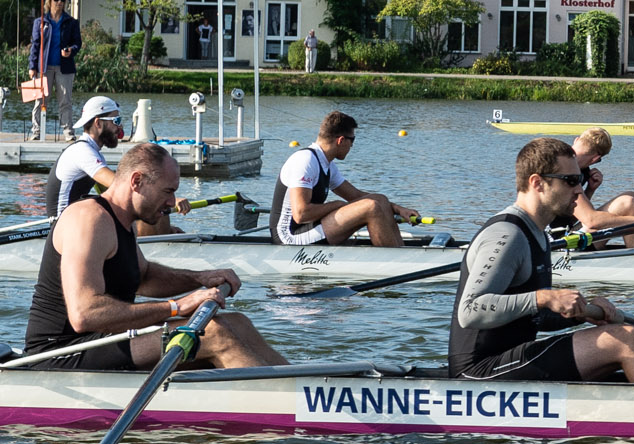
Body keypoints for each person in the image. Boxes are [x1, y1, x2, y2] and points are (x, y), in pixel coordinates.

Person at [21, 141, 285, 370]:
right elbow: (85, 314)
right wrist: (177, 306)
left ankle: (306, 387)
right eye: (168, 192)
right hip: (60, 354)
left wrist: (202, 278)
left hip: (104, 342)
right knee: (215, 333)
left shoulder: (121, 220)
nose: (173, 203)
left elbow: (145, 277)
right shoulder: (89, 218)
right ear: (136, 181)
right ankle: (289, 412)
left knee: (237, 323)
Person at [450, 137, 634, 385]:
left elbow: (534, 318)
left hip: (513, 359)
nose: (579, 190)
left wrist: (580, 314)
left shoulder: (538, 233)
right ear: (537, 183)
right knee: (627, 339)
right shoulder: (507, 235)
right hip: (477, 373)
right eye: (571, 181)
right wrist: (544, 298)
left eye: (580, 181)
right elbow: (470, 311)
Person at [52, 96, 194, 235]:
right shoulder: (82, 152)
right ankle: (157, 243)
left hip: (76, 221)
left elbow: (112, 196)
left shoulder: (93, 153)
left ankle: (161, 235)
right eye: (116, 121)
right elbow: (119, 185)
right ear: (98, 123)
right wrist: (170, 199)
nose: (119, 128)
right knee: (146, 199)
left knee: (141, 203)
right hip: (63, 227)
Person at [272, 111, 416, 247]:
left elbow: (357, 196)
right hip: (289, 237)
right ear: (341, 140)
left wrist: (399, 209)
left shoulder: (326, 163)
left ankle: (400, 251)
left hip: (310, 227)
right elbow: (301, 214)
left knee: (380, 200)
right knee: (371, 208)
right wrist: (337, 205)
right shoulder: (305, 161)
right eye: (352, 140)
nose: (352, 145)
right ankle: (391, 260)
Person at [564, 127, 634, 250]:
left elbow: (570, 213)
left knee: (632, 196)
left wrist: (590, 190)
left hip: (566, 229)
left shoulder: (570, 166)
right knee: (628, 203)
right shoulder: (568, 173)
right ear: (595, 159)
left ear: (576, 140)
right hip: (558, 241)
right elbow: (591, 221)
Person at [27, 0, 79, 143]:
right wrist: (32, 66)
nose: (59, 2)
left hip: (65, 68)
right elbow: (35, 45)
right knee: (40, 100)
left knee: (65, 101)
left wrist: (71, 50)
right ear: (49, 1)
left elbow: (77, 43)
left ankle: (68, 133)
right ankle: (36, 132)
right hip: (44, 67)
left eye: (62, 0)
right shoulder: (41, 22)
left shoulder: (71, 22)